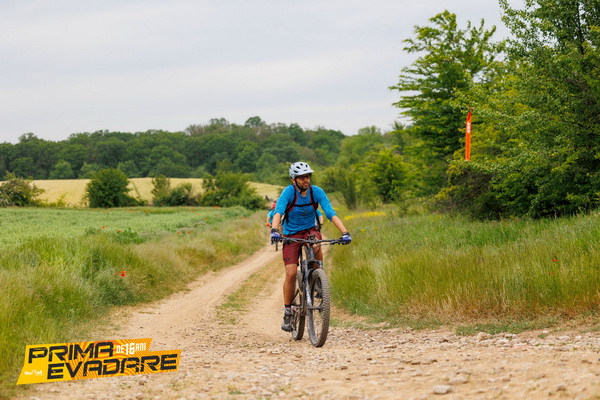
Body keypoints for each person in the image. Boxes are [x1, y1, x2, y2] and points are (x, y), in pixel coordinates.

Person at [270, 161, 351, 332]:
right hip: (291, 234)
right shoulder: (289, 192)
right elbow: (279, 211)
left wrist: (345, 232)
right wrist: (275, 230)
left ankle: (318, 278)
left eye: (307, 176)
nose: (306, 180)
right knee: (291, 272)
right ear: (294, 180)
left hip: (310, 230)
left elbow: (330, 212)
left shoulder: (317, 192)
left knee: (315, 245)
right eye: (301, 177)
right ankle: (287, 311)